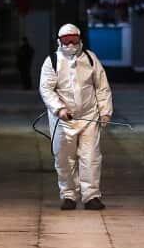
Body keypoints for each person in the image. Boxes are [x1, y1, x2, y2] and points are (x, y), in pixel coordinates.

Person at [39, 24, 114, 210]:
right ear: (59, 41)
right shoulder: (52, 61)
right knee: (64, 158)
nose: (71, 44)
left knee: (91, 157)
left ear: (80, 39)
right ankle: (68, 195)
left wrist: (105, 111)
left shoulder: (90, 58)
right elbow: (46, 89)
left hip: (89, 116)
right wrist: (59, 109)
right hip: (63, 119)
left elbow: (102, 86)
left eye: (74, 40)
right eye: (66, 40)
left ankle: (91, 196)